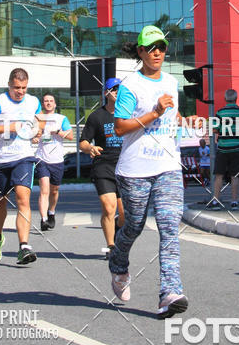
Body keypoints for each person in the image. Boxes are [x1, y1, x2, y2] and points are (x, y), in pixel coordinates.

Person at [109, 25, 188, 320]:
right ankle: (118, 262)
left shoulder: (170, 81)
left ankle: (170, 292)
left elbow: (172, 114)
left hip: (168, 166)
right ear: (140, 52)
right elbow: (120, 127)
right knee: (134, 226)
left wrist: (183, 120)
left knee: (169, 227)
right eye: (151, 47)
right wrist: (154, 112)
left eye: (162, 47)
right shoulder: (131, 86)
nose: (157, 52)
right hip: (135, 170)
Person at [0, 68, 42, 265]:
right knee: (0, 202)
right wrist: (8, 127)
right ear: (9, 85)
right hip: (1, 159)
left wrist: (37, 132)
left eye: (24, 88)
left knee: (23, 198)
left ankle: (24, 246)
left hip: (24, 157)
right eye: (17, 88)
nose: (20, 91)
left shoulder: (33, 102)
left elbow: (38, 121)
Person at [80, 77, 125, 258]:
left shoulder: (128, 114)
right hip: (103, 167)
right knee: (108, 207)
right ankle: (111, 246)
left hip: (125, 168)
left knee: (126, 216)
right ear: (106, 93)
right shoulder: (96, 116)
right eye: (113, 89)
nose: (116, 91)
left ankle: (115, 228)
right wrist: (90, 147)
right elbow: (82, 142)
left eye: (119, 88)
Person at [35, 94, 73, 231]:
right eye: (46, 101)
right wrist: (35, 137)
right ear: (43, 104)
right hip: (41, 158)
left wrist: (57, 131)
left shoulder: (61, 118)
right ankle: (44, 219)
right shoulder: (38, 119)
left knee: (54, 190)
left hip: (57, 159)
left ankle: (51, 212)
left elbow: (70, 136)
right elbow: (32, 137)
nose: (49, 103)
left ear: (55, 104)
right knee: (44, 189)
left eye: (51, 101)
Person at [209, 88, 239, 209]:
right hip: (237, 148)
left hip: (223, 148)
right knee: (235, 175)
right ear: (236, 99)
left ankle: (216, 201)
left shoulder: (220, 113)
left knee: (219, 175)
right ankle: (234, 201)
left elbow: (215, 129)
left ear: (225, 99)